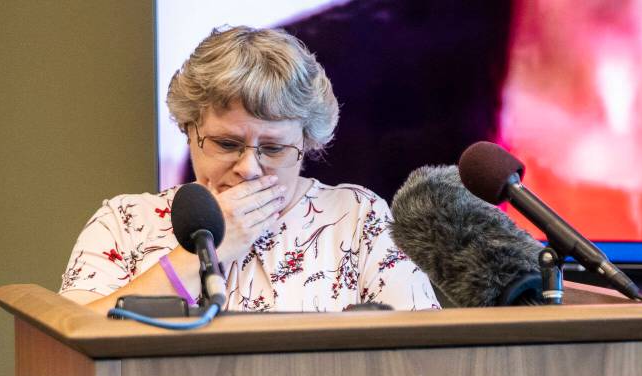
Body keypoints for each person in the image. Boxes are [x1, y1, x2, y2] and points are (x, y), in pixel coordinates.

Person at [59, 25, 440, 312]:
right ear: (188, 129)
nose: (249, 168)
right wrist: (203, 255)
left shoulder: (356, 218)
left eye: (273, 148)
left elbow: (421, 358)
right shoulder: (125, 223)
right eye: (227, 144)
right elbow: (68, 343)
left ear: (307, 143)